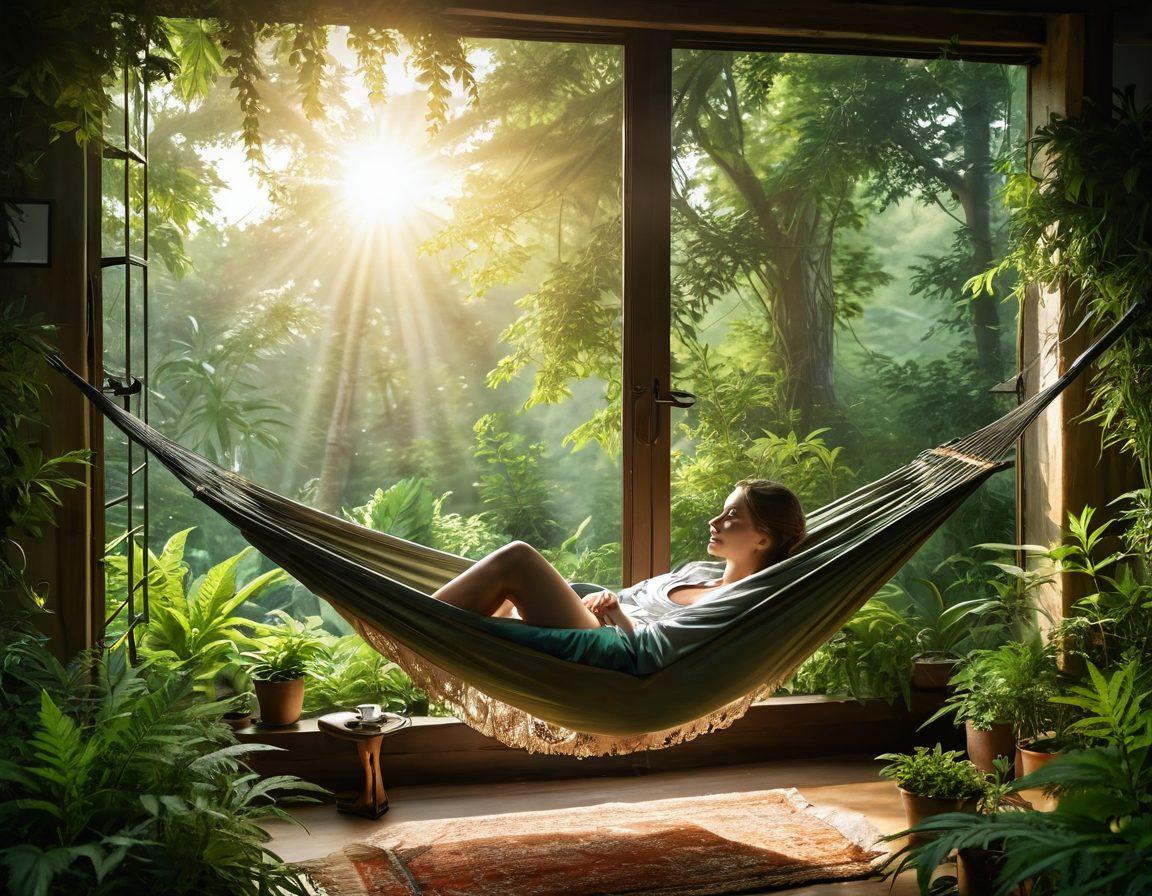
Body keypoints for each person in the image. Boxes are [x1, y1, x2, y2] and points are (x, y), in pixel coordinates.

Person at [429, 478, 806, 637]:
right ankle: (414, 623)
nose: (715, 521)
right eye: (722, 511)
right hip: (590, 615)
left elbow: (663, 652)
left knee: (517, 559)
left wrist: (614, 612)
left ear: (762, 538)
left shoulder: (737, 602)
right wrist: (600, 599)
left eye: (732, 515)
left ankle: (413, 623)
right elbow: (629, 597)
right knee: (494, 605)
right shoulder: (698, 571)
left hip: (605, 644)